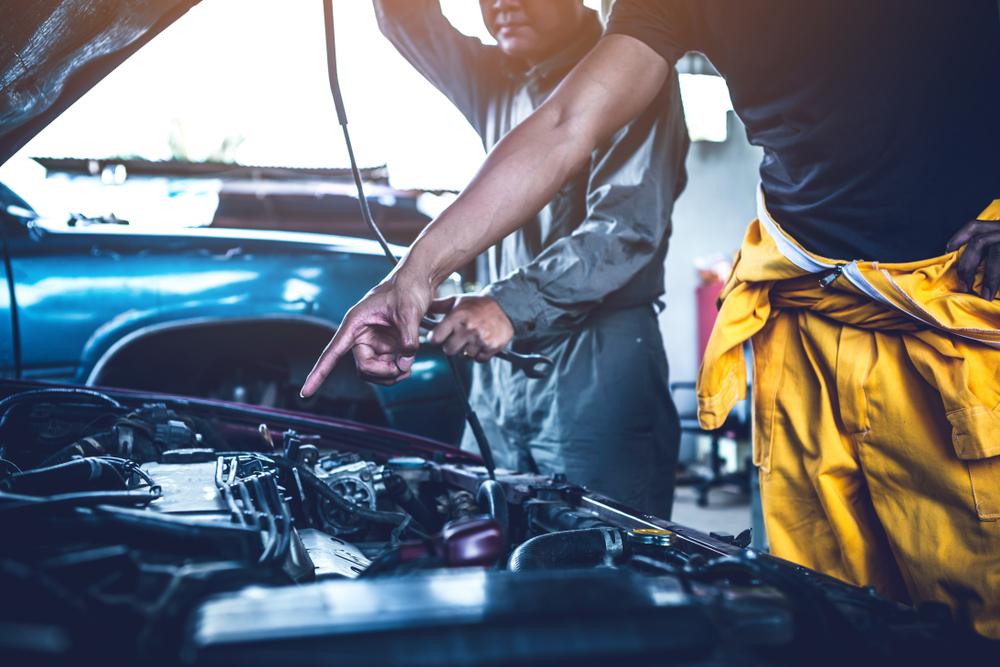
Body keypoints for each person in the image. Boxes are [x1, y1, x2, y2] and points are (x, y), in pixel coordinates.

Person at [303, 0, 1000, 636]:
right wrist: (411, 275)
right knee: (819, 603)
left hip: (954, 308)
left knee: (977, 601)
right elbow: (566, 123)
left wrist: (508, 305)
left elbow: (623, 228)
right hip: (807, 315)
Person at [366, 0, 689, 516]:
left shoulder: (634, 65)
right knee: (487, 541)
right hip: (496, 374)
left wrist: (510, 306)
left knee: (600, 562)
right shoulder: (495, 78)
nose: (503, 4)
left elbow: (625, 228)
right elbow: (405, 18)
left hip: (596, 370)